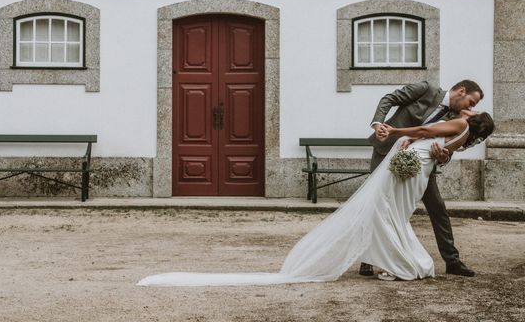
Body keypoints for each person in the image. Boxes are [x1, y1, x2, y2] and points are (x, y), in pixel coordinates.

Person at [138, 109, 494, 287]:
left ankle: (397, 261)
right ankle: (393, 259)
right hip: (415, 168)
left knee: (383, 211)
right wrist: (422, 147)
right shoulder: (462, 133)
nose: (473, 109)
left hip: (410, 166)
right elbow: (436, 147)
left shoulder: (458, 126)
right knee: (388, 212)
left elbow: (422, 131)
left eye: (477, 110)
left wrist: (394, 131)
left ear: (475, 121)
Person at [360, 80, 484, 279]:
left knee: (438, 208)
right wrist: (378, 124)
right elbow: (389, 99)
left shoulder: (457, 118)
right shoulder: (426, 89)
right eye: (471, 102)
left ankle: (452, 261)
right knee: (377, 203)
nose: (471, 108)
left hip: (421, 166)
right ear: (461, 91)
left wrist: (443, 156)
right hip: (386, 151)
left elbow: (448, 147)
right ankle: (368, 259)